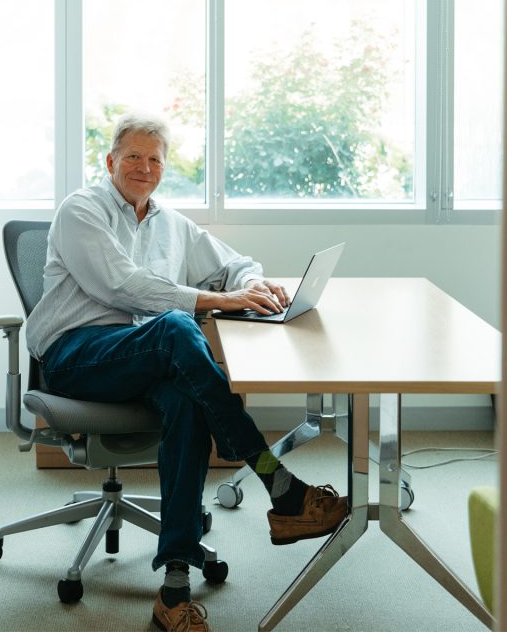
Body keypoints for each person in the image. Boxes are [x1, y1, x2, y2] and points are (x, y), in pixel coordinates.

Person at [25, 113, 348, 632]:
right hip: (75, 355)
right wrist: (220, 299)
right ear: (110, 161)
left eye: (155, 159)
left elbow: (235, 264)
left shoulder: (171, 224)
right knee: (178, 327)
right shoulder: (81, 210)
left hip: (145, 358)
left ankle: (174, 590)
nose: (144, 167)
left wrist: (257, 286)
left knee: (185, 398)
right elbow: (121, 286)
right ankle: (274, 479)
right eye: (133, 156)